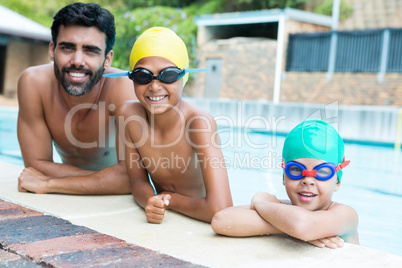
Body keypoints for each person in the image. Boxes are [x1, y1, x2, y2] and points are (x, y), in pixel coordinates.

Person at [114, 27, 233, 223]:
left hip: (199, 215)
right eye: (143, 76)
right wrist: (149, 200)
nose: (154, 86)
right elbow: (137, 181)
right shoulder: (129, 115)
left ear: (183, 76)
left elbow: (220, 209)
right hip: (167, 211)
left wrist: (170, 200)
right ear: (132, 79)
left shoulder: (198, 123)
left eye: (167, 75)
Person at [17, 3, 136, 194]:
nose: (77, 61)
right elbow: (35, 166)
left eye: (90, 50)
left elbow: (131, 179)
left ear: (107, 59)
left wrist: (48, 184)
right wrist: (108, 179)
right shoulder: (34, 83)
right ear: (52, 50)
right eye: (67, 48)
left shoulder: (122, 88)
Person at [211, 119, 359, 248]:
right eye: (296, 169)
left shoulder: (346, 215)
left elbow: (303, 226)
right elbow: (221, 221)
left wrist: (261, 203)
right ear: (283, 176)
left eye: (322, 172)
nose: (307, 180)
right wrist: (289, 226)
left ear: (338, 181)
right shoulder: (282, 211)